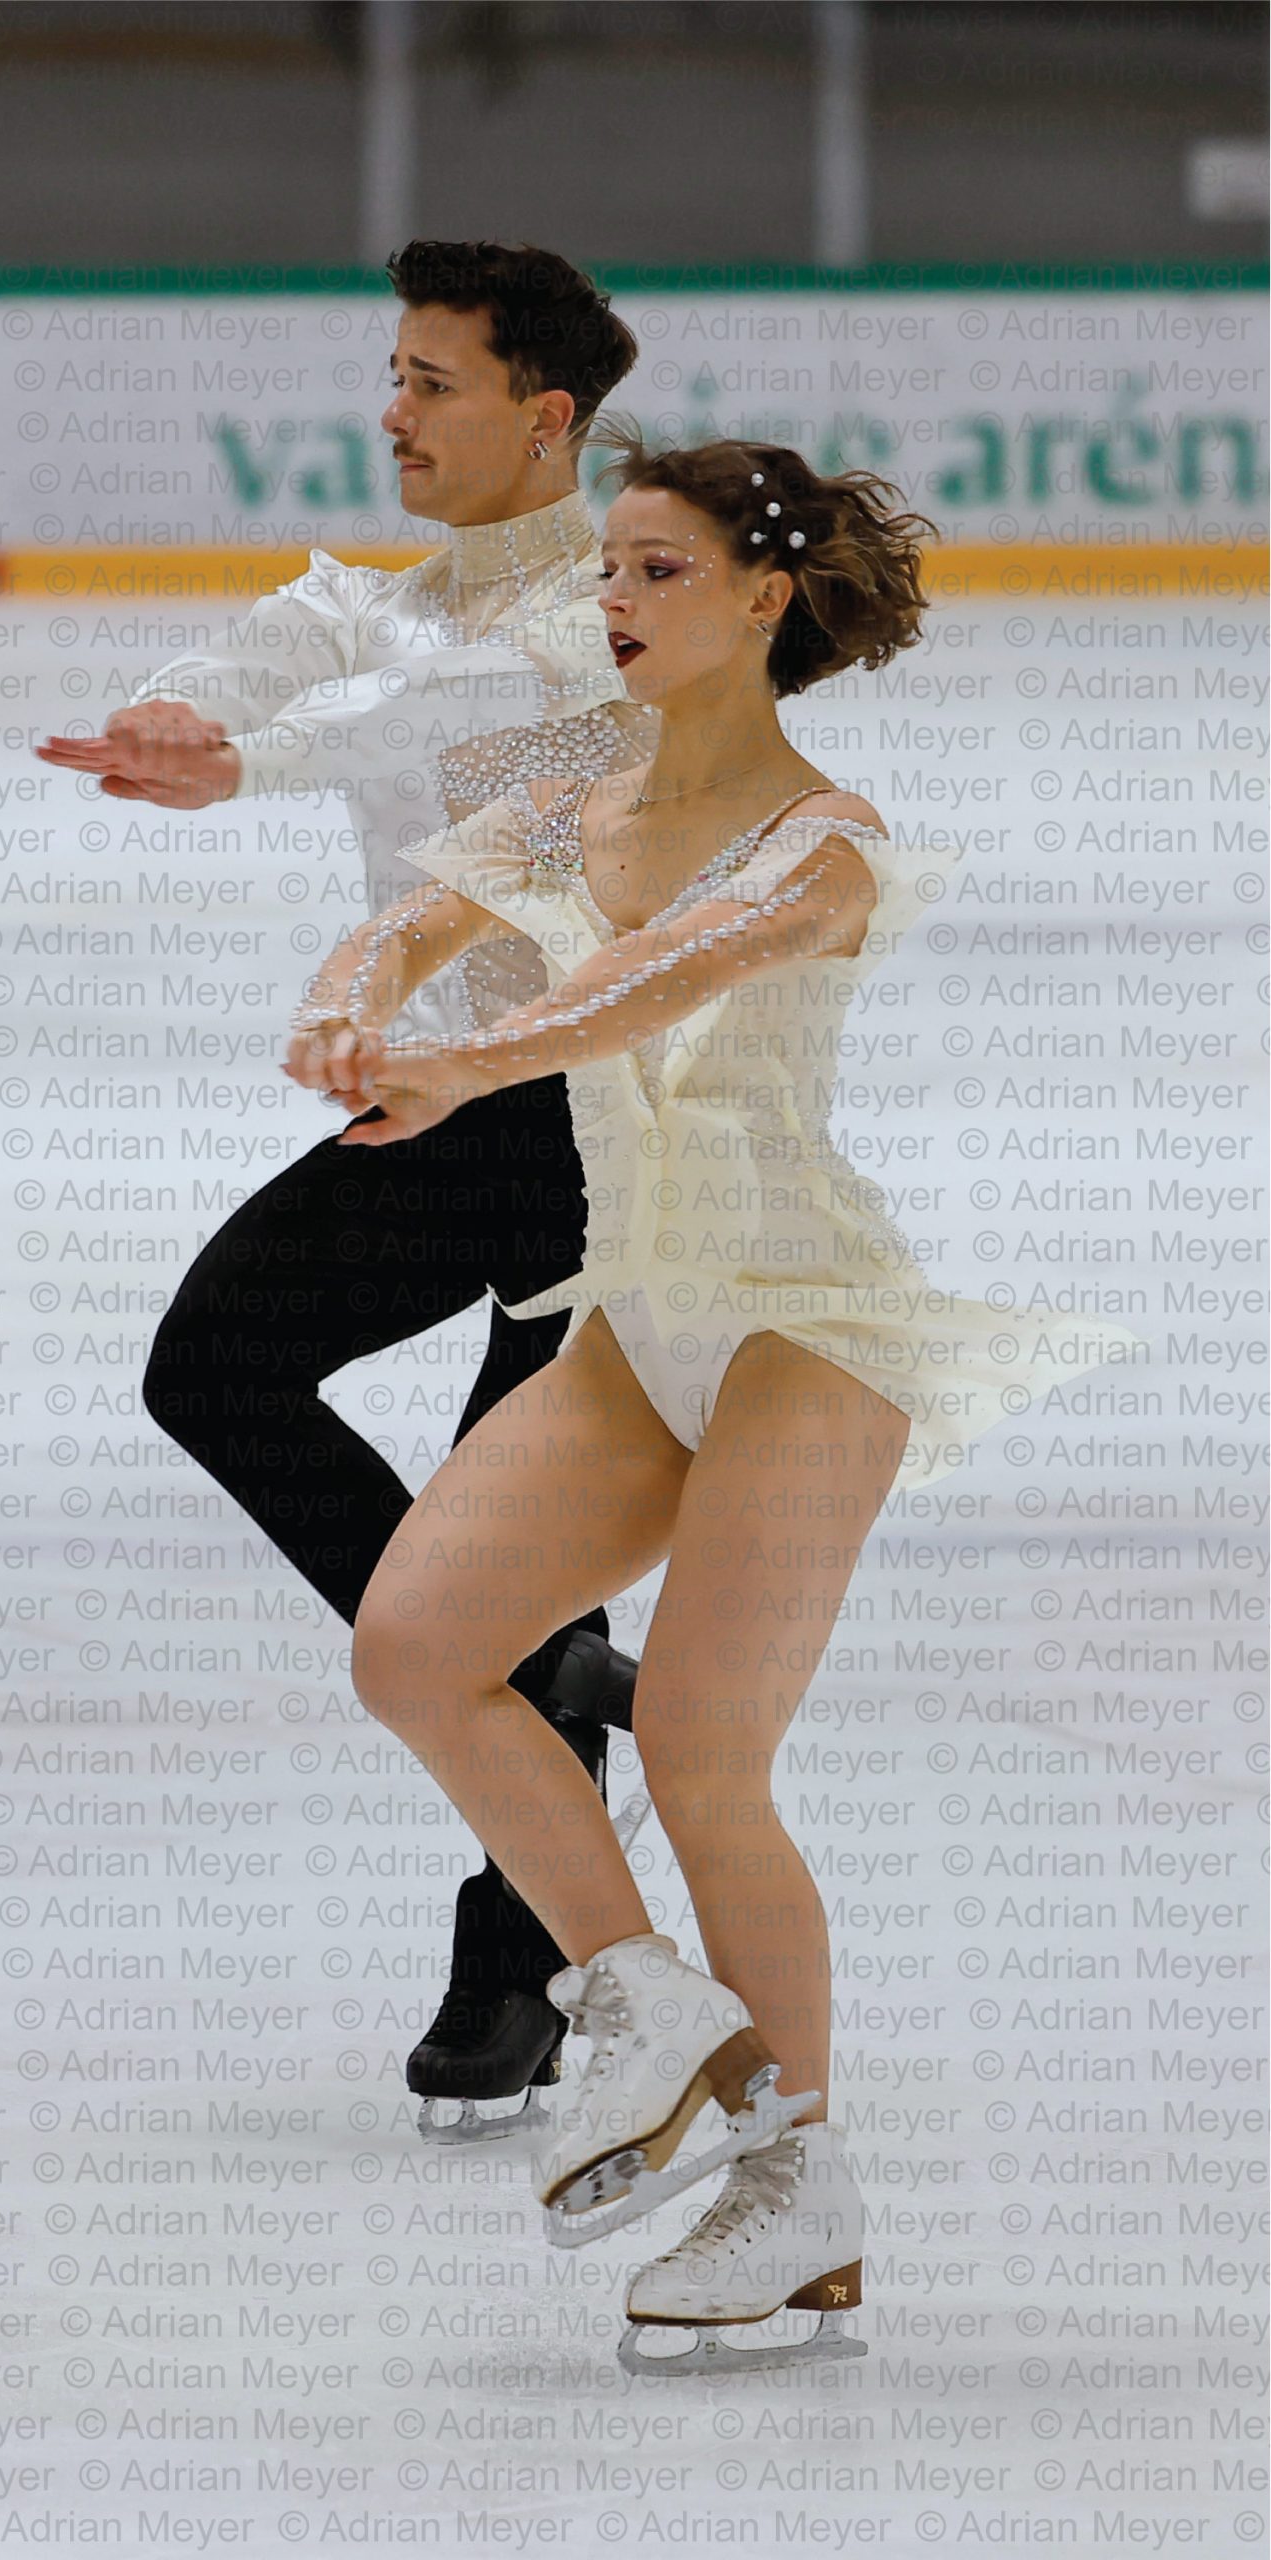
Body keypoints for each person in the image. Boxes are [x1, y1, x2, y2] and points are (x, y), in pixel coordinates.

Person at [284, 432, 1144, 2375]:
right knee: (415, 1647)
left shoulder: (821, 845)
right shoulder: (550, 775)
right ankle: (641, 2001)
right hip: (635, 1328)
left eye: (657, 572)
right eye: (609, 571)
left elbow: (631, 993)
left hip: (800, 1325)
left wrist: (457, 1060)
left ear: (762, 599)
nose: (612, 601)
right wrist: (351, 998)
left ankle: (796, 2181)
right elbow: (408, 917)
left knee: (694, 1741)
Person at [36, 241, 660, 2139]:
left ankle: (516, 1970)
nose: (392, 412)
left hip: (596, 1123)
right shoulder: (417, 596)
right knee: (216, 1366)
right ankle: (537, 1666)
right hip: (449, 1110)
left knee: (475, 1537)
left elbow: (434, 730)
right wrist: (180, 710)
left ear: (543, 418)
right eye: (390, 374)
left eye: (433, 383)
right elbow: (314, 636)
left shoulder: (622, 617)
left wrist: (241, 762)